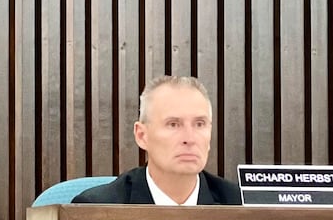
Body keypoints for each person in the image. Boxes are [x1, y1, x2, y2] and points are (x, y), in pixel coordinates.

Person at [73, 75, 242, 206]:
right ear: (142, 136)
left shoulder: (241, 206)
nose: (190, 139)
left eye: (199, 124)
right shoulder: (97, 209)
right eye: (173, 124)